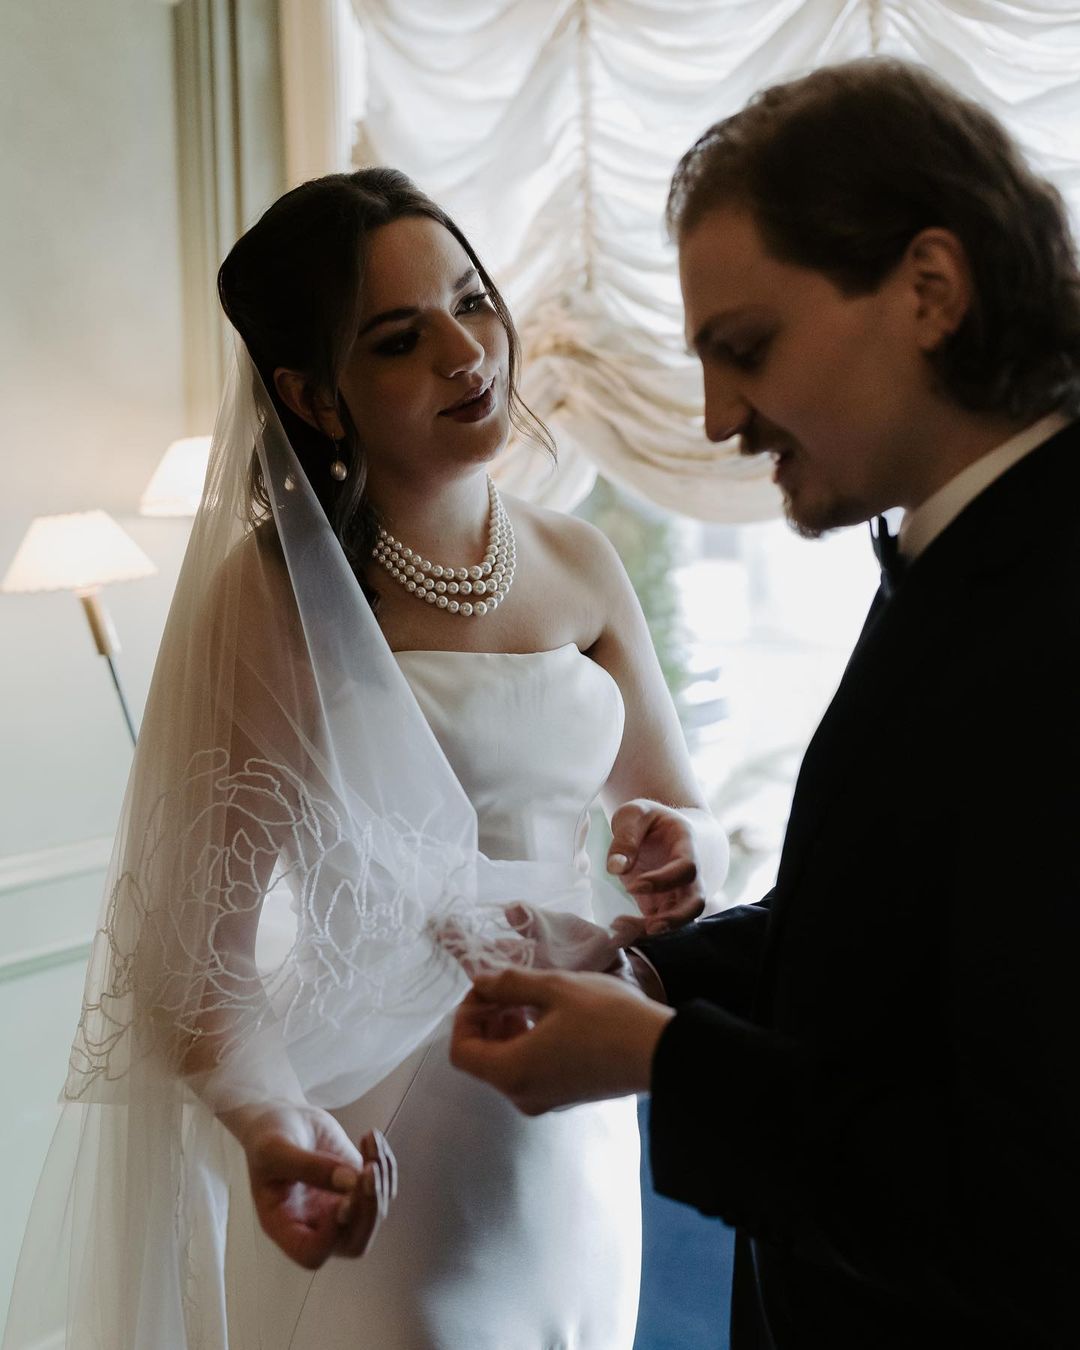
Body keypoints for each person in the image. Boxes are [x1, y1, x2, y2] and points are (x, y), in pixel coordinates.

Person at [2, 168, 727, 1350]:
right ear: (313, 396)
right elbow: (195, 966)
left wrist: (680, 847)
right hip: (388, 1145)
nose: (464, 350)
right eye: (400, 337)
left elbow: (674, 809)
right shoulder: (273, 606)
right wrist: (275, 1126)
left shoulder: (582, 561)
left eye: (471, 300)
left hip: (575, 1130)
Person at [450, 58, 1080, 1350]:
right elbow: (905, 927)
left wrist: (657, 1061)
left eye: (745, 349)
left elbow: (1028, 1203)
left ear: (929, 289)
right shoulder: (959, 546)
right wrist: (641, 968)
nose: (717, 415)